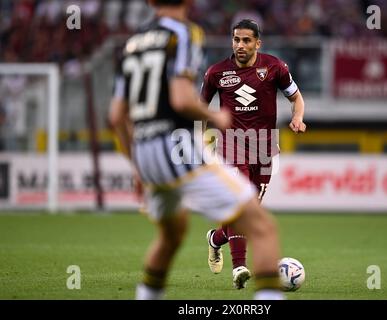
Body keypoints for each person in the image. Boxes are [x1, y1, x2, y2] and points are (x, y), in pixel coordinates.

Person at [109, 0, 285, 300]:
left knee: (171, 236)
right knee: (263, 228)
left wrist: (137, 166)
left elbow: (116, 116)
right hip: (176, 146)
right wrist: (215, 117)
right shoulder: (184, 33)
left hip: (145, 151)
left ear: (151, 2)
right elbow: (181, 100)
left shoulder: (133, 42)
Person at [201, 19, 306, 289]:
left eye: (246, 40)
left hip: (265, 146)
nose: (240, 45)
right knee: (241, 205)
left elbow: (296, 98)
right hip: (231, 145)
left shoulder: (275, 67)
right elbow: (199, 108)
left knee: (249, 215)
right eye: (236, 39)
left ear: (257, 43)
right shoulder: (216, 73)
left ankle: (215, 239)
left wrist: (298, 118)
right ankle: (239, 268)